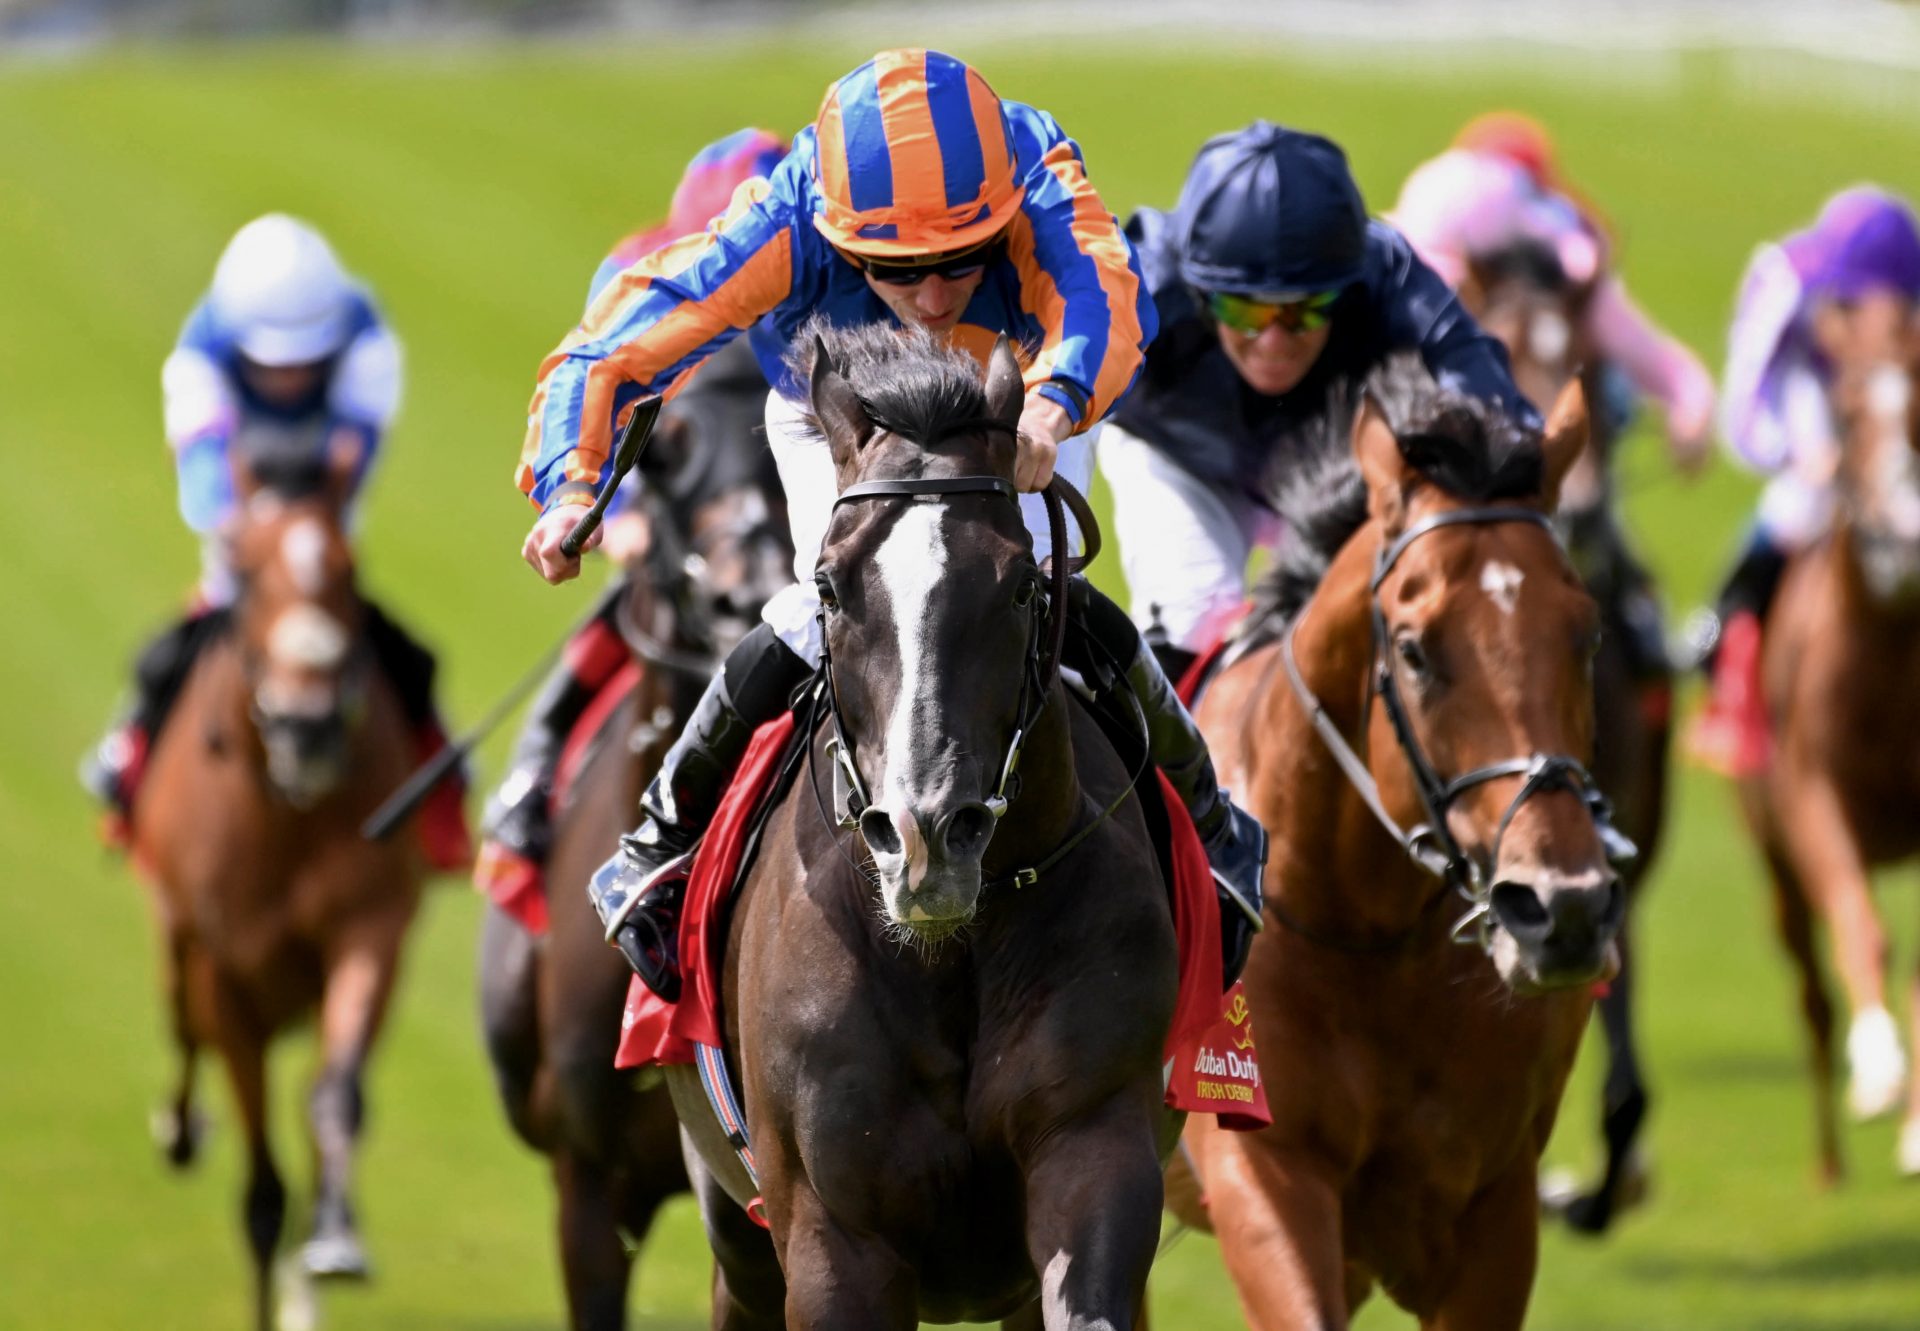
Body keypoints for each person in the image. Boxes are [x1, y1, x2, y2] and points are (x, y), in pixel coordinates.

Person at [515, 48, 1265, 998]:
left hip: (1012, 392)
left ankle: (1211, 824)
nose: (937, 295)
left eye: (963, 258)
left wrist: (1052, 403)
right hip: (839, 408)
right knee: (829, 601)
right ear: (836, 232)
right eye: (897, 270)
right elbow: (621, 339)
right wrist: (573, 482)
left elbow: (1106, 297)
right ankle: (663, 834)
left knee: (1037, 590)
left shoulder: (1037, 173)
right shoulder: (783, 215)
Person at [82, 214, 470, 870]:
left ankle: (444, 797)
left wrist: (309, 536)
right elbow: (205, 486)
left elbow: (354, 458)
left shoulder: (369, 343)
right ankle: (128, 765)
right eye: (270, 364)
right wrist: (252, 537)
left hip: (322, 534)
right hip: (245, 544)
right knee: (165, 658)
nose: (289, 378)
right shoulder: (198, 353)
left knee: (409, 664)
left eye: (304, 363)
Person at [474, 126, 787, 910]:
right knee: (623, 614)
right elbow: (606, 408)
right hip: (677, 491)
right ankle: (529, 783)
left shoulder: (811, 273)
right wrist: (623, 516)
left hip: (783, 483)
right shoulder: (635, 273)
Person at [1099, 120, 1538, 675]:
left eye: (1304, 311)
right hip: (1177, 458)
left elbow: (1481, 385)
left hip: (1325, 471)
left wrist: (1517, 458)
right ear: (1201, 293)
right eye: (1245, 312)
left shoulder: (1387, 276)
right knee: (1195, 618)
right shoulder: (1145, 277)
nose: (1274, 341)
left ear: (1346, 290)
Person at [1687, 186, 1920, 776]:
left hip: (1884, 406)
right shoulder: (1783, 289)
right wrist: (1798, 452)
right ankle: (1722, 628)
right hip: (1803, 396)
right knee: (1799, 508)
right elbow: (1742, 415)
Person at [1389, 111, 1716, 471]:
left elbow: (1667, 368)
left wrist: (1691, 414)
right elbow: (1669, 369)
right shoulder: (1575, 272)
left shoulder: (1574, 291)